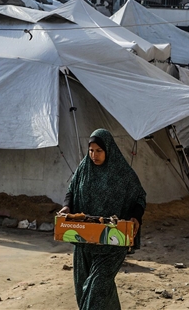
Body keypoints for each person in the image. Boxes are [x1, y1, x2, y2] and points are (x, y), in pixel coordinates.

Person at [58, 129, 146, 310]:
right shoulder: (85, 168)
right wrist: (67, 206)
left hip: (113, 241)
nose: (93, 155)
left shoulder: (122, 173)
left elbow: (139, 197)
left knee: (97, 287)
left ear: (108, 150)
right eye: (91, 150)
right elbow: (72, 190)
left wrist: (136, 216)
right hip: (85, 240)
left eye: (99, 150)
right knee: (85, 288)